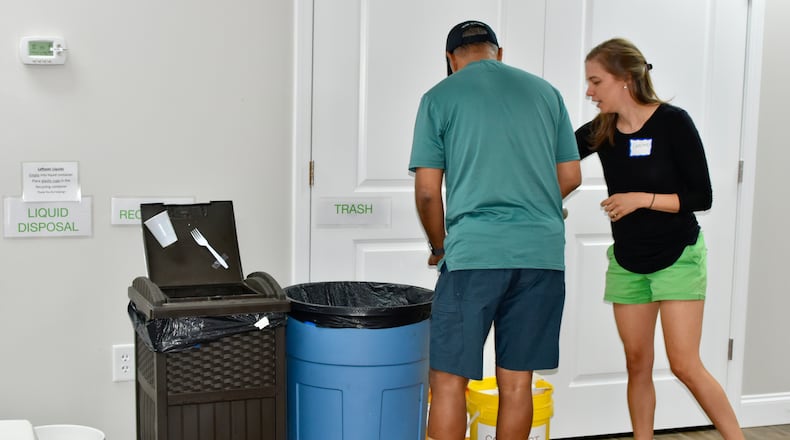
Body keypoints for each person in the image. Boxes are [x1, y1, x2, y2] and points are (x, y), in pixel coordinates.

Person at [408, 20, 581, 440]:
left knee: (448, 381)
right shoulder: (547, 93)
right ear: (498, 52)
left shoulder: (439, 97)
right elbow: (572, 175)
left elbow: (429, 193)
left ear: (450, 60)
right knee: (518, 381)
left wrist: (439, 245)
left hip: (473, 256)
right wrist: (533, 201)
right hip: (540, 256)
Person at [575, 38, 744, 440]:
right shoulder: (601, 130)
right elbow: (551, 156)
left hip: (678, 256)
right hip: (628, 261)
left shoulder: (673, 122)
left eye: (596, 81)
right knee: (637, 363)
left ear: (625, 80)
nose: (589, 91)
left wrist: (640, 200)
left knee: (684, 364)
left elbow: (701, 197)